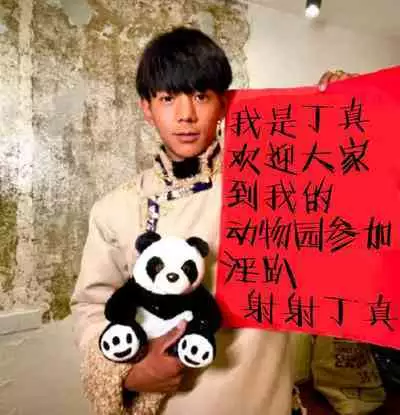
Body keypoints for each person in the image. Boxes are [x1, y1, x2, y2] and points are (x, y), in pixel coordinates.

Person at [70, 26, 356, 415]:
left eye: (201, 96)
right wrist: (130, 373)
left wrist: (348, 111)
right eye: (168, 98)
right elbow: (92, 305)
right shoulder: (115, 208)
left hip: (263, 398)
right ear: (147, 108)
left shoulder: (271, 184)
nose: (186, 115)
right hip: (172, 402)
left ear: (223, 104)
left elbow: (345, 210)